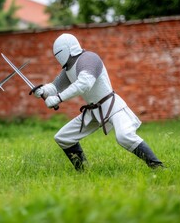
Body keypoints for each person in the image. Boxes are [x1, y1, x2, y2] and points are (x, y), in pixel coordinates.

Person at [32, 33, 163, 171]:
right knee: (63, 137)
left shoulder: (89, 59)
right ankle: (83, 171)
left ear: (68, 48)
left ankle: (158, 166)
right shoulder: (68, 69)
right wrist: (42, 90)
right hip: (93, 111)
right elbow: (55, 87)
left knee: (124, 136)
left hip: (111, 106)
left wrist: (58, 99)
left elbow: (84, 83)